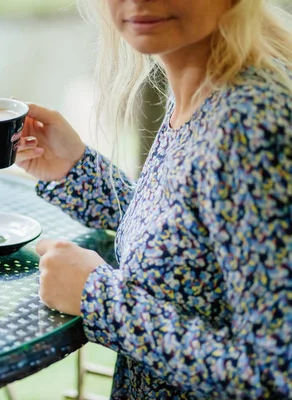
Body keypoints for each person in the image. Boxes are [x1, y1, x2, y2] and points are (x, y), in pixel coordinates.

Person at [15, 0, 292, 398]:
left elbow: (275, 377)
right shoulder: (200, 89)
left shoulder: (250, 125)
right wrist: (74, 170)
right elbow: (190, 243)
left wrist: (99, 300)